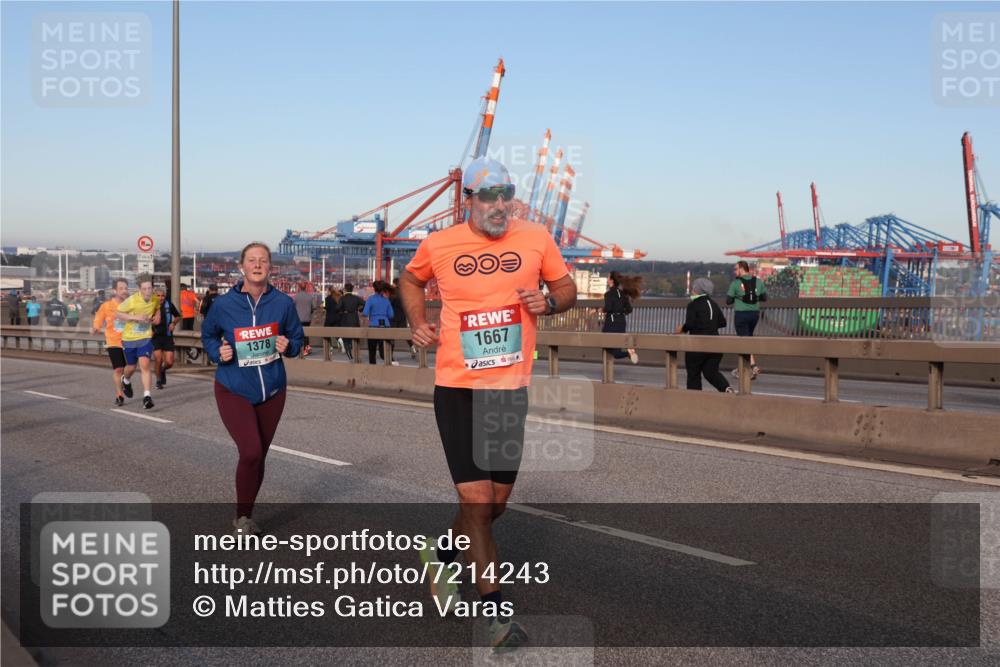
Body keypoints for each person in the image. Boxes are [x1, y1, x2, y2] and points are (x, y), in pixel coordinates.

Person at [401, 156, 576, 652]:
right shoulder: (438, 244)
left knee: (495, 506)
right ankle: (498, 618)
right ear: (468, 200)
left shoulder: (536, 238)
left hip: (509, 388)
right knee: (477, 502)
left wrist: (552, 301)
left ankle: (440, 555)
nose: (500, 204)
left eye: (507, 193)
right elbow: (411, 281)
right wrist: (418, 321)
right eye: (489, 195)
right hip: (457, 386)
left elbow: (565, 288)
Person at [201, 242, 306, 535]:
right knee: (250, 451)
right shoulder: (223, 304)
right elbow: (208, 335)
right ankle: (243, 519)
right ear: (241, 267)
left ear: (270, 267)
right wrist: (215, 351)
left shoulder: (283, 303)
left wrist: (291, 346)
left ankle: (246, 513)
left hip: (272, 390)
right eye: (251, 260)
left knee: (259, 454)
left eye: (263, 260)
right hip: (233, 387)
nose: (257, 265)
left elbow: (300, 341)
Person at [677, 277, 733, 393]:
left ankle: (695, 399)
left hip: (697, 345)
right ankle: (726, 388)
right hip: (715, 345)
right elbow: (723, 323)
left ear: (697, 290)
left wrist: (682, 328)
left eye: (694, 288)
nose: (692, 290)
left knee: (693, 373)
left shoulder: (693, 305)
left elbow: (690, 324)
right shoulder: (714, 304)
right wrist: (709, 325)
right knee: (711, 372)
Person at [117, 274, 161, 410]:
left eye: (150, 288)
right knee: (131, 367)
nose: (148, 291)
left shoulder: (155, 299)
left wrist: (157, 317)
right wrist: (134, 317)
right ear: (139, 290)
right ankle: (126, 380)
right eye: (145, 289)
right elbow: (118, 314)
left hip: (145, 337)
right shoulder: (132, 301)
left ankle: (147, 397)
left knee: (145, 365)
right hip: (129, 339)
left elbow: (157, 309)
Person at [726, 260, 767, 380]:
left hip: (741, 315)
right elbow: (764, 298)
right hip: (754, 314)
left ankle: (751, 367)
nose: (734, 271)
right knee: (748, 338)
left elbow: (728, 301)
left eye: (736, 269)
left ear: (741, 269)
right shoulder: (758, 281)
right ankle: (743, 368)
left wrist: (738, 297)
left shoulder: (735, 283)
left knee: (743, 342)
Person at [92, 278, 129, 405]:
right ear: (115, 290)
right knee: (119, 369)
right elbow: (98, 318)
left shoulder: (130, 304)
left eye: (126, 288)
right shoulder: (106, 306)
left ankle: (127, 381)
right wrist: (96, 327)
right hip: (113, 341)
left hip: (129, 340)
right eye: (121, 288)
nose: (124, 291)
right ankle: (120, 395)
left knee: (129, 368)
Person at [602, 271, 640, 364]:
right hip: (621, 322)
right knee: (616, 350)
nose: (607, 279)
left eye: (608, 278)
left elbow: (608, 308)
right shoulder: (623, 294)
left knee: (605, 346)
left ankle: (627, 353)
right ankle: (628, 352)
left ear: (611, 281)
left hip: (611, 324)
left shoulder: (608, 294)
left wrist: (599, 310)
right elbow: (629, 309)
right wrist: (620, 313)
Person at [152, 285, 181, 389]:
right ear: (154, 296)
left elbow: (178, 316)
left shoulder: (169, 304)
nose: (161, 298)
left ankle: (163, 370)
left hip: (167, 336)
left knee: (169, 362)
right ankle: (158, 380)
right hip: (155, 336)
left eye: (163, 296)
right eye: (158, 296)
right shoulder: (150, 305)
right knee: (158, 359)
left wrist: (173, 323)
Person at [362, 281, 394, 365]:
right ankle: (390, 365)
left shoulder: (371, 299)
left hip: (374, 326)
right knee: (384, 350)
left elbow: (365, 313)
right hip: (386, 326)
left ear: (374, 288)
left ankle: (373, 370)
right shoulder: (386, 300)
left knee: (372, 351)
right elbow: (391, 315)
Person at [335, 283, 364, 361]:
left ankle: (350, 357)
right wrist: (360, 309)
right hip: (354, 318)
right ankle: (357, 355)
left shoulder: (342, 298)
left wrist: (341, 311)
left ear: (345, 289)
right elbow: (364, 303)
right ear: (352, 289)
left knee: (346, 339)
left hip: (345, 319)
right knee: (356, 338)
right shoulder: (356, 298)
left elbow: (337, 308)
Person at [390, 277, 415, 359]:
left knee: (392, 335)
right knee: (405, 334)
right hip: (403, 316)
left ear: (394, 283)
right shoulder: (405, 292)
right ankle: (412, 347)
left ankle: (390, 354)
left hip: (393, 316)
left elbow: (390, 303)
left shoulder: (392, 293)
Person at [293, 281, 314, 356]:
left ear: (299, 287)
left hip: (298, 319)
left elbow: (292, 308)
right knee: (306, 334)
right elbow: (313, 308)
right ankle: (307, 348)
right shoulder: (310, 297)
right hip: (307, 319)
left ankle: (300, 349)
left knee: (299, 334)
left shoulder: (295, 297)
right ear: (305, 287)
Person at [323, 286, 343, 354]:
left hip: (329, 318)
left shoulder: (327, 298)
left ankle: (330, 347)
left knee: (326, 332)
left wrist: (324, 307)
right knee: (336, 332)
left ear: (329, 291)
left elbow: (326, 307)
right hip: (337, 318)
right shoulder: (338, 298)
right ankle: (340, 341)